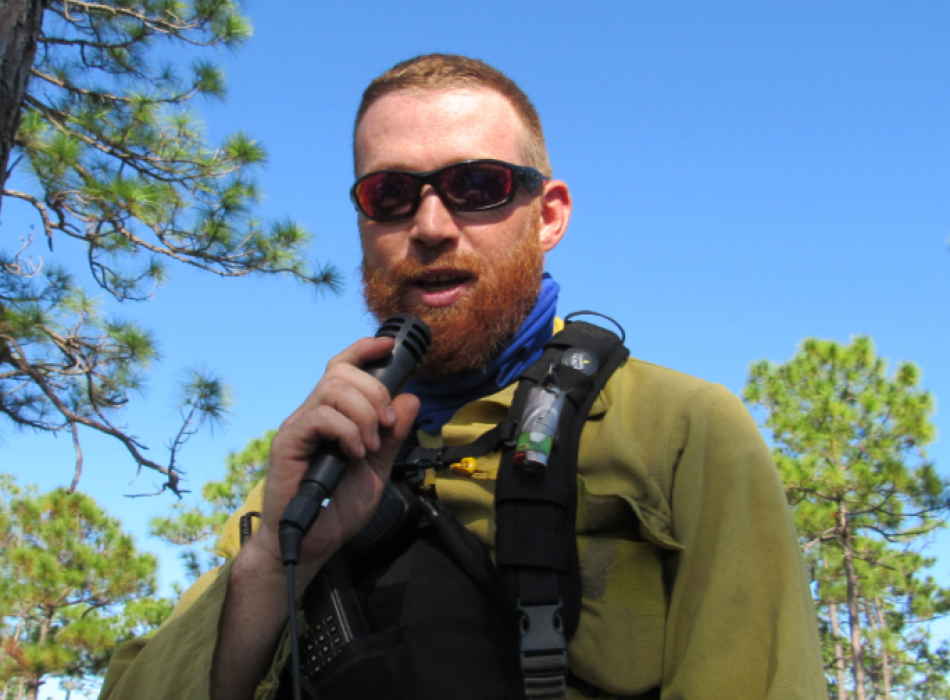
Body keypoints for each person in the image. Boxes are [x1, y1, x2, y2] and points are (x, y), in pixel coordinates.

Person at [100, 54, 828, 700]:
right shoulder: (305, 475)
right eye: (390, 194)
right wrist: (270, 564)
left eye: (476, 184)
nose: (430, 225)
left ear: (548, 216)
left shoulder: (683, 431)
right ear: (361, 221)